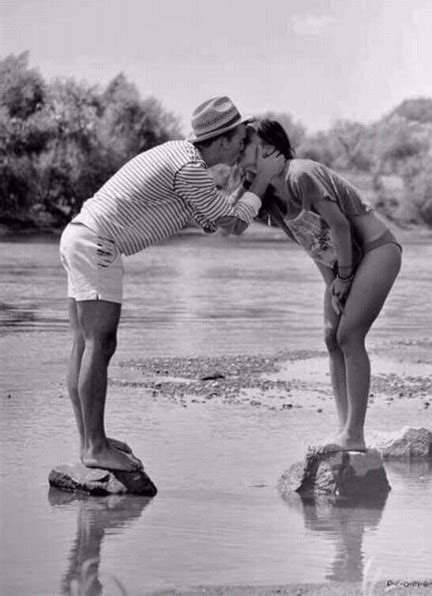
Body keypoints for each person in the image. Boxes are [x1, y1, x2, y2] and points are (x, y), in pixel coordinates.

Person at [59, 97, 283, 471]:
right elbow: (232, 223)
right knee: (100, 343)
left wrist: (236, 196)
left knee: (85, 344)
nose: (244, 146)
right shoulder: (189, 167)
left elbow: (213, 219)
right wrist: (260, 181)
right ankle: (94, 447)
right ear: (222, 140)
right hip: (98, 243)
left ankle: (90, 440)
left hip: (81, 236)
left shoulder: (182, 159)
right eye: (242, 139)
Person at [238, 119, 402, 452]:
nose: (239, 148)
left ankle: (354, 435)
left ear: (269, 146)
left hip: (377, 251)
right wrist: (334, 284)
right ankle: (344, 430)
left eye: (247, 142)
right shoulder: (269, 194)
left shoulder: (301, 174)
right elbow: (311, 242)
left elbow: (340, 228)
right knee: (331, 338)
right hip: (340, 264)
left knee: (349, 335)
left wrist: (344, 278)